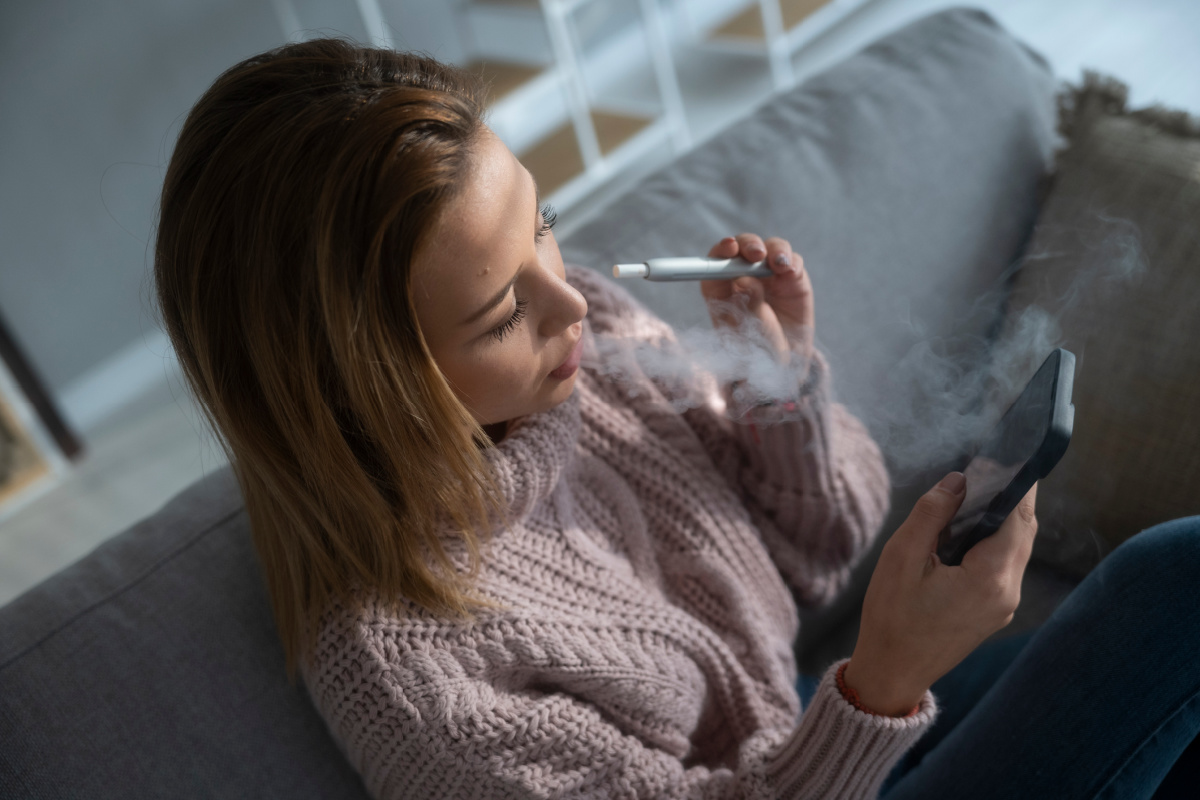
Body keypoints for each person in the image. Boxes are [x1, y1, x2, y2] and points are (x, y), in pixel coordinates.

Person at [153, 38, 1200, 799]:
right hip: (828, 754)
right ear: (362, 384)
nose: (571, 298)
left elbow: (821, 557)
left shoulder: (589, 343)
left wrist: (779, 389)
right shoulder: (411, 673)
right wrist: (879, 683)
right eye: (499, 310)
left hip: (822, 734)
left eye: (542, 226)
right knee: (1171, 584)